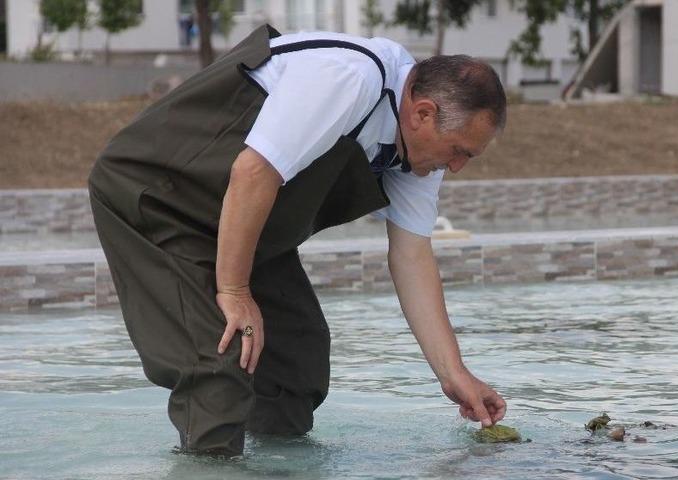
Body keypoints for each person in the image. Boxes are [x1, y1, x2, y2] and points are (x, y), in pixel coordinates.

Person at [88, 24, 507, 457]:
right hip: (158, 201)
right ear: (422, 113)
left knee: (295, 360)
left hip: (239, 222)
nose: (456, 167)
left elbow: (411, 254)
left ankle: (276, 466)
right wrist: (234, 292)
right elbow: (252, 172)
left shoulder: (416, 152)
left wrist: (453, 373)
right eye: (460, 151)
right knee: (216, 364)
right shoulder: (349, 76)